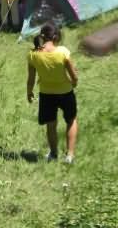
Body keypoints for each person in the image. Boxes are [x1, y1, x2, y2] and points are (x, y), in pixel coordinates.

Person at [27, 23, 78, 163]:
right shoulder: (63, 52)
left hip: (46, 94)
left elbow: (31, 79)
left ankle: (54, 154)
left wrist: (29, 92)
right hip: (65, 92)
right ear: (55, 37)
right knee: (71, 120)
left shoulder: (33, 54)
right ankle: (69, 155)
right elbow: (74, 75)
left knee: (51, 124)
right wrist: (74, 82)